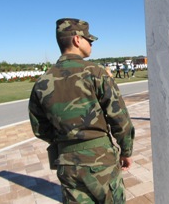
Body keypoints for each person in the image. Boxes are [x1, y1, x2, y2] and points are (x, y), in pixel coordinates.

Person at [28, 18, 135, 203]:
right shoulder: (96, 73)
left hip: (66, 162)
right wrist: (126, 151)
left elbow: (39, 128)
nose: (91, 44)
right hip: (100, 161)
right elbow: (120, 120)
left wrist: (65, 141)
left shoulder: (42, 82)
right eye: (89, 40)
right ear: (77, 40)